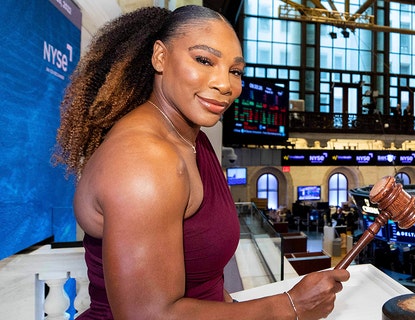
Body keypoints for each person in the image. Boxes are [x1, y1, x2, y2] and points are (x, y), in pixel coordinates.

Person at [53, 5, 349, 319]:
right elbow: (148, 315)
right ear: (160, 57)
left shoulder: (193, 139)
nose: (225, 85)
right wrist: (289, 306)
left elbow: (202, 279)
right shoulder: (144, 159)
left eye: (235, 71)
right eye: (204, 60)